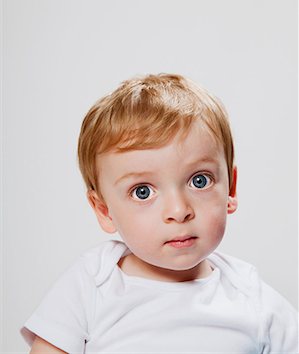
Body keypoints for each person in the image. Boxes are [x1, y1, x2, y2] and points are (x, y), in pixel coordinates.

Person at [21, 73, 298, 353]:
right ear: (104, 210)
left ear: (231, 189)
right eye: (143, 191)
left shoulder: (252, 297)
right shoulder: (92, 283)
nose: (179, 211)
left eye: (199, 181)